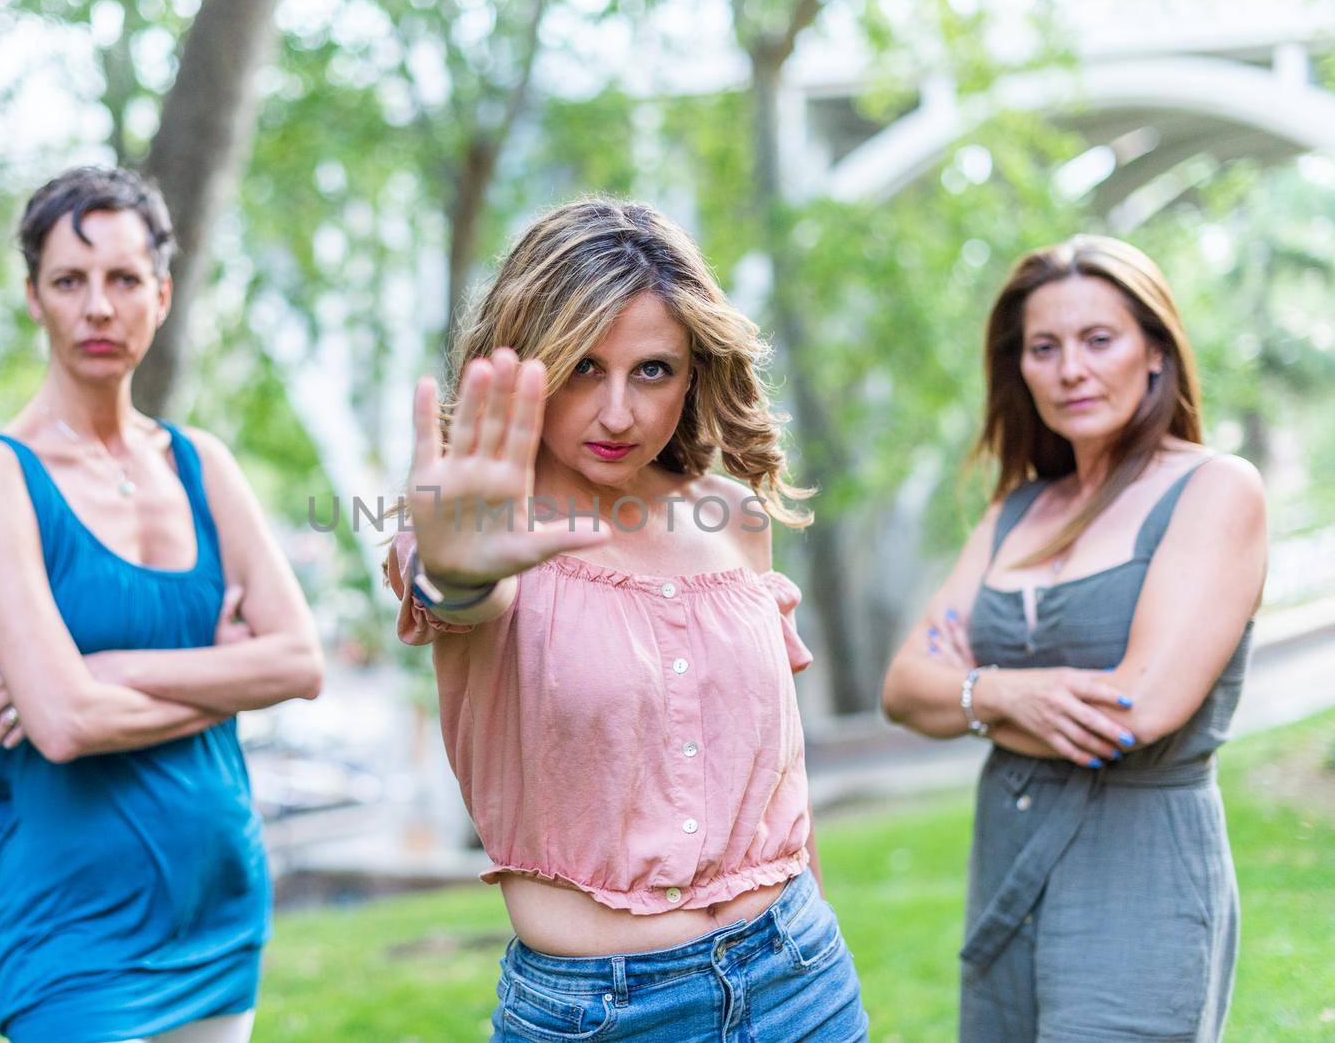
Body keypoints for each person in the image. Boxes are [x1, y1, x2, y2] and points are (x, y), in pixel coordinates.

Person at [384, 198, 869, 1041]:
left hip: (800, 979)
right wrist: (456, 568)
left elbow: (781, 778)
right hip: (600, 1013)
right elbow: (453, 587)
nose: (618, 413)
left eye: (653, 370)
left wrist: (821, 935)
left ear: (695, 371)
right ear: (526, 362)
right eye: (582, 368)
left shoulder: (731, 520)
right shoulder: (479, 534)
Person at [0, 166, 323, 1042]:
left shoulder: (202, 464)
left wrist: (112, 670)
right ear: (34, 296)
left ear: (163, 293)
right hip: (72, 929)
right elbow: (63, 725)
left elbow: (301, 662)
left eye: (123, 280)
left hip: (220, 904)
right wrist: (227, 676)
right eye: (70, 280)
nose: (98, 307)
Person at [881, 235, 1266, 1041]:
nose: (1070, 370)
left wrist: (968, 698)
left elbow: (1133, 711)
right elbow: (903, 689)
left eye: (1099, 340)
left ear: (1155, 352)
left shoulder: (1213, 489)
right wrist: (999, 689)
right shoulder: (1014, 513)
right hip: (1009, 856)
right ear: (1017, 366)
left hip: (1140, 864)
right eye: (1043, 347)